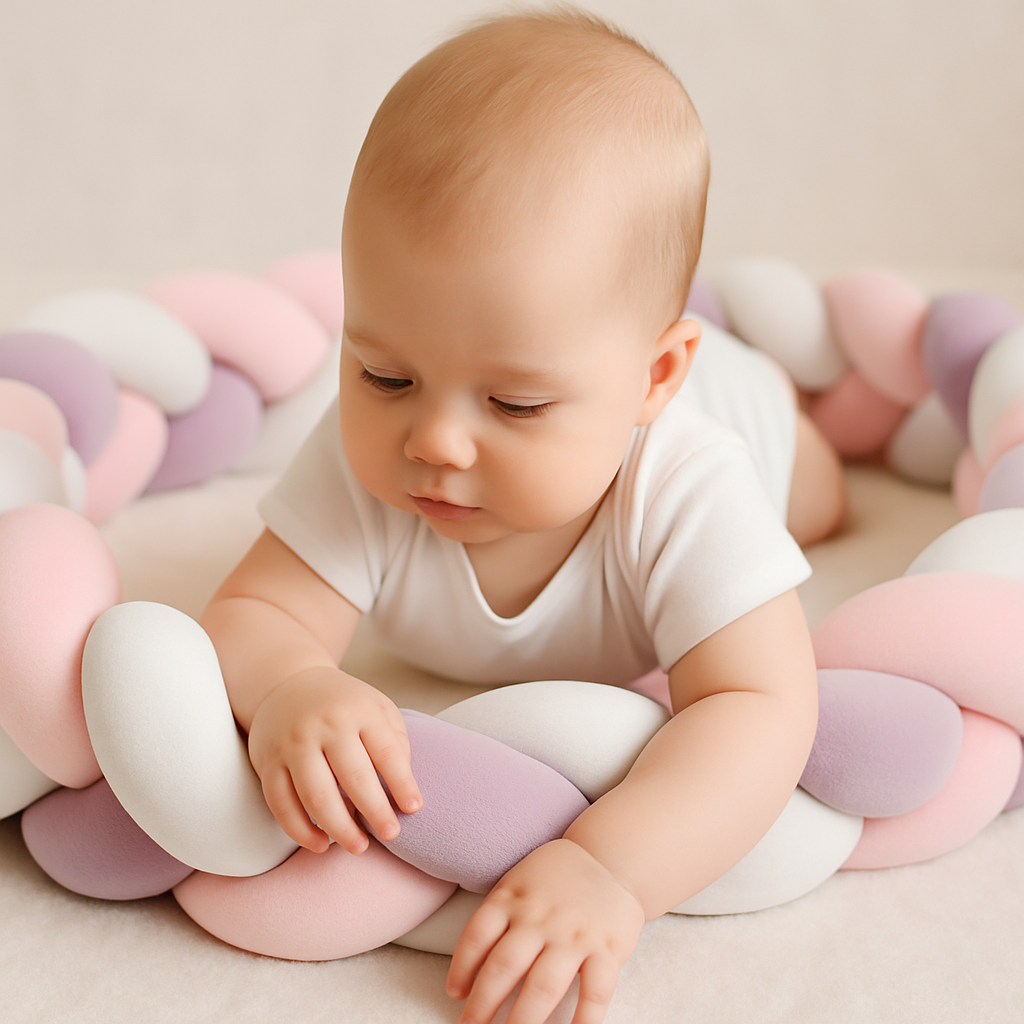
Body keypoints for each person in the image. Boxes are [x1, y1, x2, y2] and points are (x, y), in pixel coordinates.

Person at [201, 8, 845, 1024]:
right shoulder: (362, 455)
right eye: (384, 372)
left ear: (653, 375)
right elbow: (252, 614)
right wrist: (289, 685)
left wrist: (614, 870)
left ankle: (788, 402)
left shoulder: (684, 483)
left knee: (815, 495)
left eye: (513, 404)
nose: (436, 443)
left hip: (745, 416)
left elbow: (760, 706)